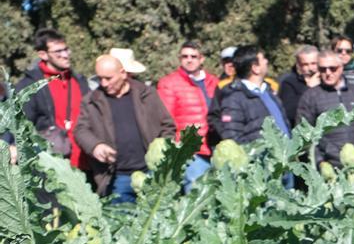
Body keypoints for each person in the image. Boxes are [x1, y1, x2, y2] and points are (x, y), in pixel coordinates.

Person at [74, 54, 175, 202]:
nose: (104, 83)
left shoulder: (146, 94)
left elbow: (168, 126)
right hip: (116, 177)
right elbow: (81, 130)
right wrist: (95, 146)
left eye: (109, 78)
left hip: (151, 173)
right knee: (121, 223)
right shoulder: (91, 101)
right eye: (100, 78)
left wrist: (162, 154)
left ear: (122, 73)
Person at [13, 28, 90, 168]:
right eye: (58, 51)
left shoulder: (80, 81)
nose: (66, 55)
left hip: (86, 163)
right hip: (52, 167)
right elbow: (19, 126)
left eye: (66, 49)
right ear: (43, 54)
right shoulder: (30, 86)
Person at [295, 49, 354, 168]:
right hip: (330, 166)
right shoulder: (310, 97)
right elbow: (305, 134)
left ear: (341, 68)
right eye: (323, 69)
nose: (328, 73)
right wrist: (320, 162)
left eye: (332, 68)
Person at [157, 41, 219, 188]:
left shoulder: (214, 81)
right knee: (196, 192)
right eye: (185, 56)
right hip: (191, 150)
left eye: (193, 56)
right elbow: (165, 119)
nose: (189, 60)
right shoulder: (169, 83)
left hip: (216, 146)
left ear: (202, 59)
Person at [208, 45, 290, 146]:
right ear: (255, 68)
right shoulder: (234, 98)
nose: (266, 61)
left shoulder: (269, 90)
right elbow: (233, 136)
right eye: (263, 59)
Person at [278, 45, 320, 126]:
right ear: (298, 65)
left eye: (313, 63)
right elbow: (289, 112)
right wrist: (308, 88)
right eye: (305, 64)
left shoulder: (327, 79)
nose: (310, 68)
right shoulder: (289, 83)